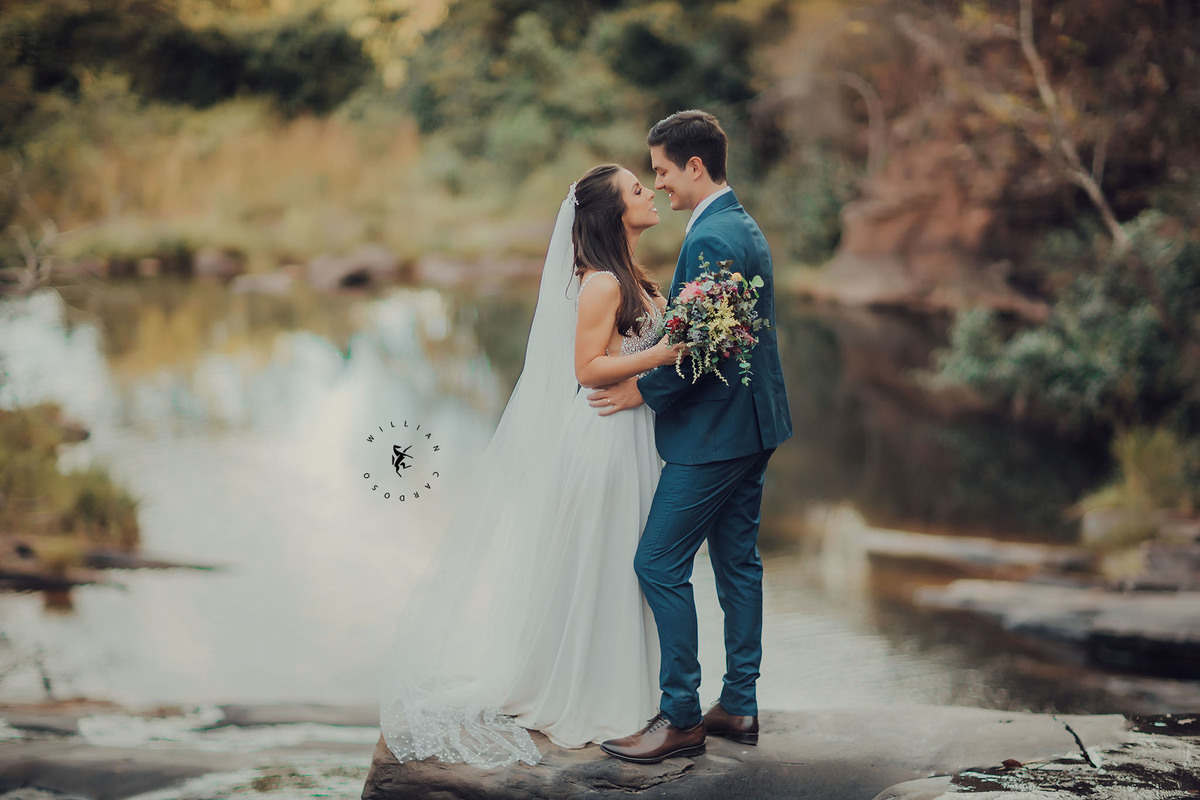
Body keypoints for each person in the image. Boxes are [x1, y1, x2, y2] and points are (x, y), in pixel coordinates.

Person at [377, 163, 685, 768]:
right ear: (613, 213)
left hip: (636, 436)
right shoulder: (602, 284)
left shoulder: (634, 277)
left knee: (628, 563)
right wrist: (663, 354)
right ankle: (590, 694)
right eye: (636, 189)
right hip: (605, 438)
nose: (650, 192)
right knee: (607, 559)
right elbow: (587, 369)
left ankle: (631, 689)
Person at [591, 110, 793, 764]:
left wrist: (642, 391)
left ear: (695, 166)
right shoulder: (741, 224)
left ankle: (680, 716)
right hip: (753, 423)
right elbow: (719, 336)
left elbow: (705, 345)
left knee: (657, 563)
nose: (660, 184)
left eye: (662, 171)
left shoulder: (710, 238)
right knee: (737, 563)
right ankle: (738, 704)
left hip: (715, 433)